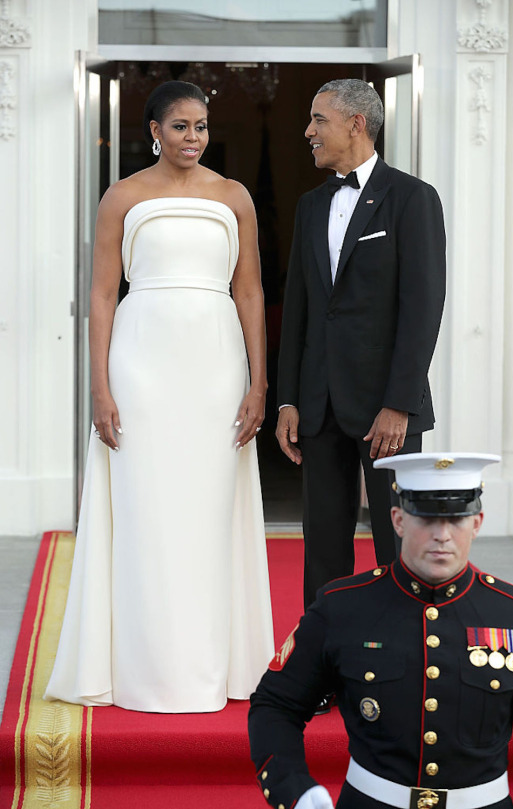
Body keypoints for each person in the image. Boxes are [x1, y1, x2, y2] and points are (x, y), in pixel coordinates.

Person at [45, 80, 274, 712]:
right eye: (180, 126)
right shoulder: (123, 195)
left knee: (207, 511)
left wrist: (259, 380)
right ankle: (141, 669)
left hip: (215, 366)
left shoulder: (234, 197)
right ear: (154, 130)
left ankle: (216, 666)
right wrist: (100, 385)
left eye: (201, 126)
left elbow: (249, 292)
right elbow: (100, 295)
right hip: (142, 364)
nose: (193, 138)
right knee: (145, 509)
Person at [248, 452, 513, 808]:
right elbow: (275, 705)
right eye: (426, 519)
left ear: (477, 523)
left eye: (456, 520)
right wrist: (294, 790)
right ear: (398, 520)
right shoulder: (342, 608)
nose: (441, 535)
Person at [275, 79, 446, 613]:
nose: (308, 132)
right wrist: (288, 400)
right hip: (319, 405)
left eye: (318, 119)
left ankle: (406, 661)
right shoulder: (309, 206)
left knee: (400, 545)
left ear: (356, 123)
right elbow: (300, 311)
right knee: (323, 546)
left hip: (386, 410)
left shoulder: (413, 198)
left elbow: (423, 309)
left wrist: (400, 403)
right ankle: (322, 663)